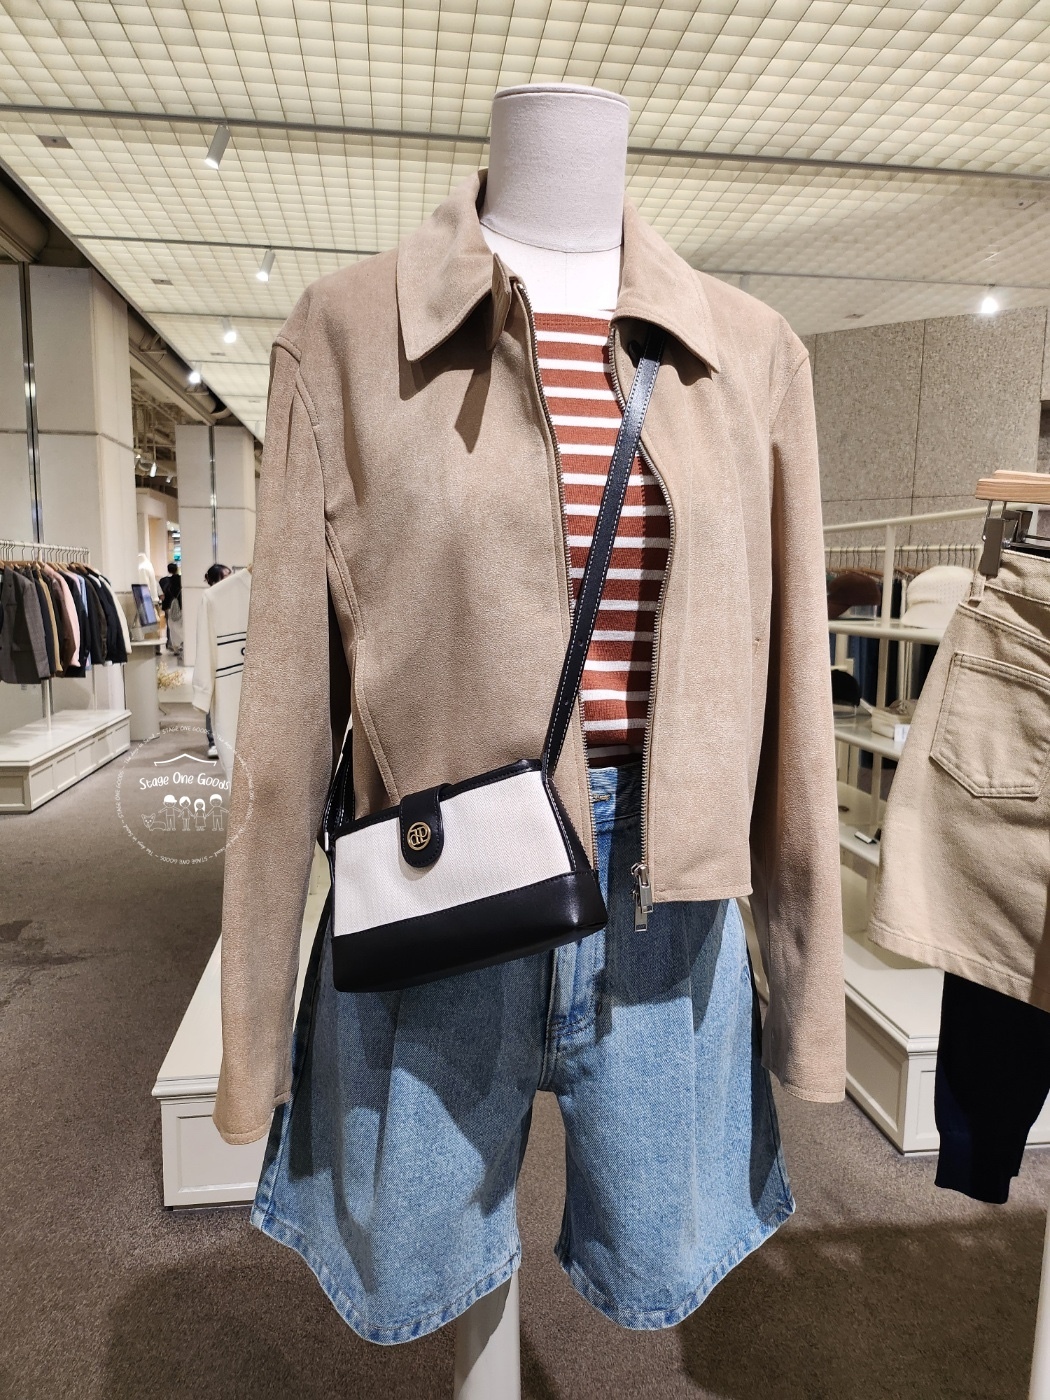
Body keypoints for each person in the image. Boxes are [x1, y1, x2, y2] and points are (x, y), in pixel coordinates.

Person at [200, 564, 231, 757]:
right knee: (212, 697)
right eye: (226, 576)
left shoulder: (232, 597)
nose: (230, 579)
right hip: (215, 653)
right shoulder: (209, 598)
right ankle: (212, 741)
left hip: (231, 653)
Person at [159, 563, 182, 658]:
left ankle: (172, 645)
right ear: (177, 569)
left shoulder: (163, 581)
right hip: (181, 606)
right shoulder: (181, 579)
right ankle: (181, 644)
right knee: (180, 626)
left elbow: (162, 594)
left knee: (170, 626)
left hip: (169, 606)